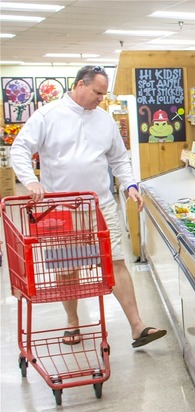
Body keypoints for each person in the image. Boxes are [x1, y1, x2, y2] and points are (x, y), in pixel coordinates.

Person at [10, 65, 166, 349]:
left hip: (100, 205)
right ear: (80, 85)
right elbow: (19, 149)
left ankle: (137, 326)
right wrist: (31, 182)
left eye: (103, 94)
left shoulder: (104, 120)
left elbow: (119, 158)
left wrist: (130, 184)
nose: (100, 99)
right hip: (61, 208)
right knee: (68, 268)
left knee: (116, 262)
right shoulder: (48, 115)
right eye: (97, 92)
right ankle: (73, 323)